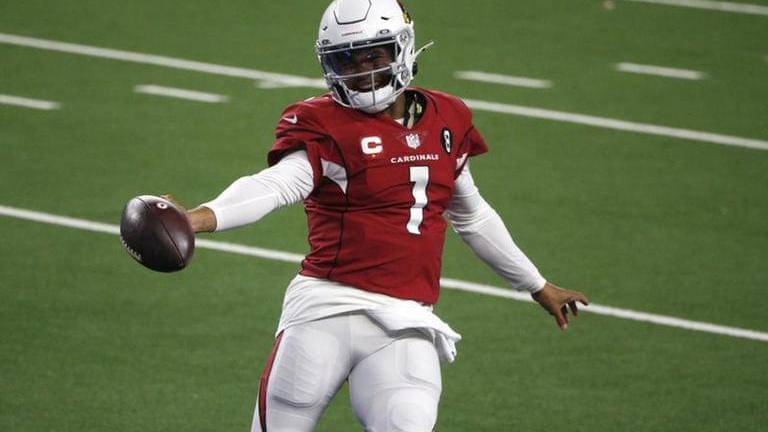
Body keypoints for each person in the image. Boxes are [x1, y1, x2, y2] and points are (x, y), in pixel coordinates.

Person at [166, 0, 589, 430]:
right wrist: (197, 218)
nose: (362, 71)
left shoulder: (447, 119)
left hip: (405, 320)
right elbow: (276, 185)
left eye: (373, 56)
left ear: (401, 49)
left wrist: (536, 284)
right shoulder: (325, 123)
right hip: (325, 310)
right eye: (347, 61)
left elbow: (472, 216)